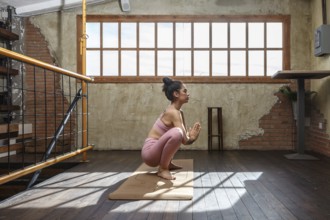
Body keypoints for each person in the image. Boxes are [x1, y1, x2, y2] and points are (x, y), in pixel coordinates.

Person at [141, 77, 201, 180]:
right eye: (185, 91)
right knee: (177, 133)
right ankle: (163, 169)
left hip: (156, 151)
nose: (188, 94)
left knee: (178, 133)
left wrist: (189, 136)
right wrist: (193, 138)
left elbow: (184, 137)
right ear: (176, 94)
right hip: (150, 153)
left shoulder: (179, 112)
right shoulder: (172, 112)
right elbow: (185, 140)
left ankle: (167, 164)